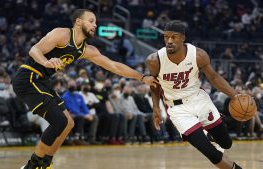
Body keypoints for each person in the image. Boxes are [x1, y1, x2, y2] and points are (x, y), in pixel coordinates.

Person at [12, 9, 158, 169]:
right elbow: (34, 50)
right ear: (78, 21)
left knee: (68, 123)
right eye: (91, 21)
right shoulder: (62, 34)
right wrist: (46, 62)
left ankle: (45, 162)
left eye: (95, 22)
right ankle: (32, 166)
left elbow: (114, 66)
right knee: (59, 121)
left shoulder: (87, 50)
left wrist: (142, 77)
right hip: (28, 77)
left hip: (42, 81)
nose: (95, 25)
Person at [146, 20, 242, 169]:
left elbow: (214, 77)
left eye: (174, 37)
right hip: (178, 109)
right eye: (166, 37)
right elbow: (154, 85)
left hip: (199, 100)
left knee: (226, 143)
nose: (169, 41)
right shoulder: (154, 60)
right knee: (211, 153)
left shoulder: (198, 55)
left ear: (183, 38)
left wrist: (235, 96)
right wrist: (156, 109)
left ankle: (209, 130)